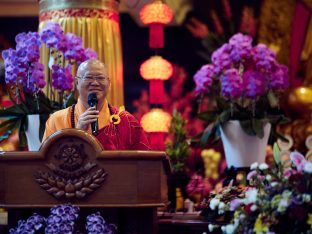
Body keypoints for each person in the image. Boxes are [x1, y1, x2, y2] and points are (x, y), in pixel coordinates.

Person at [43, 59, 151, 150]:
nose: (95, 83)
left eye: (100, 78)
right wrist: (76, 134)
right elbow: (47, 164)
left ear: (109, 83)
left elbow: (144, 164)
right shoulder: (56, 120)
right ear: (76, 83)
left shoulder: (127, 122)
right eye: (89, 77)